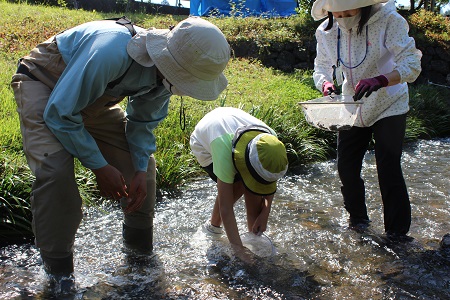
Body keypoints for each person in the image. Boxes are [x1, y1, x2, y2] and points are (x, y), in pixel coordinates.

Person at [10, 16, 230, 287]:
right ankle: (59, 275)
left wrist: (137, 168)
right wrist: (100, 166)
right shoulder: (111, 51)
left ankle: (139, 259)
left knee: (144, 171)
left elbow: (143, 123)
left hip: (93, 98)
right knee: (56, 175)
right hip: (45, 83)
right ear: (170, 61)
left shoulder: (165, 74)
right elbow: (60, 112)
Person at [311, 0, 422, 239]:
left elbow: (412, 65)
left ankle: (396, 233)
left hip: (389, 102)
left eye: (350, 12)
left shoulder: (389, 21)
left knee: (388, 165)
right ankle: (358, 222)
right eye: (338, 13)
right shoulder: (326, 31)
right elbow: (320, 66)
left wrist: (381, 80)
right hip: (353, 104)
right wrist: (325, 83)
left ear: (364, 6)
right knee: (346, 167)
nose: (344, 17)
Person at [190, 107, 288, 260]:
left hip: (232, 126)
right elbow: (226, 208)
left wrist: (265, 213)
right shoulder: (223, 152)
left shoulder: (271, 143)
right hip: (206, 143)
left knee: (253, 188)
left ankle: (253, 236)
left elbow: (268, 181)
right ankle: (213, 229)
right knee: (235, 187)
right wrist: (239, 251)